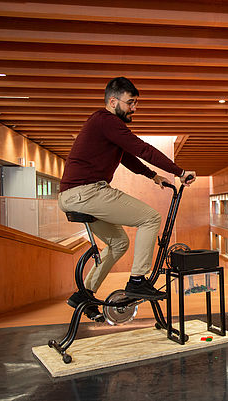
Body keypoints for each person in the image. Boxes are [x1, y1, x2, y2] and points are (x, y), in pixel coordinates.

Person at [58, 77, 196, 322]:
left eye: (136, 103)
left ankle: (83, 294)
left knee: (119, 243)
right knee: (150, 218)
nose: (134, 108)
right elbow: (142, 148)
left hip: (75, 195)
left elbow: (127, 157)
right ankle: (137, 281)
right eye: (130, 102)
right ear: (113, 101)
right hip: (87, 191)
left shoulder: (105, 126)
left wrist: (153, 175)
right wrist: (180, 172)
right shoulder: (105, 120)